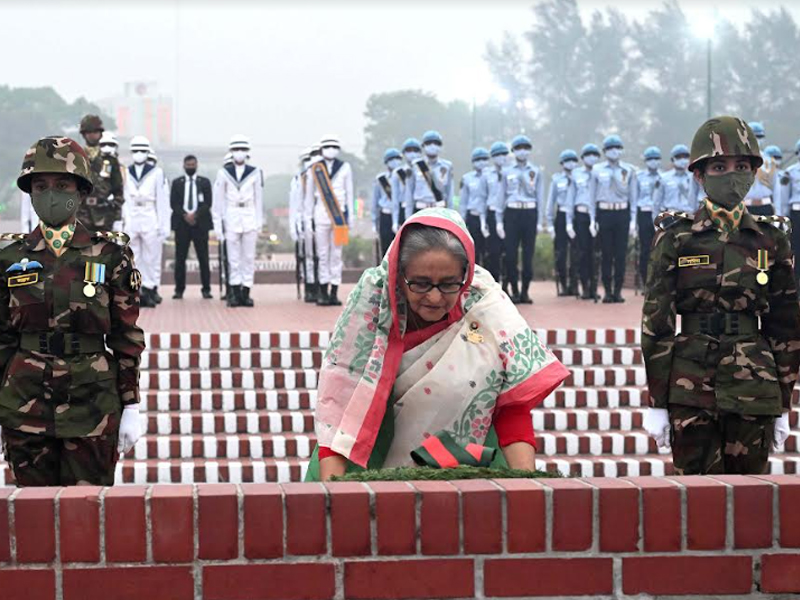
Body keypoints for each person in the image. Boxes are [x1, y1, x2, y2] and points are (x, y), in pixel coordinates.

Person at [305, 208, 569, 480]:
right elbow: (339, 411)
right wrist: (333, 496)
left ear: (465, 277)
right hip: (372, 471)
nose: (434, 297)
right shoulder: (372, 308)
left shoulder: (486, 307)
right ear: (399, 275)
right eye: (420, 284)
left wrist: (526, 487)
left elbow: (512, 406)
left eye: (448, 284)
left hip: (465, 472)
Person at [642, 116, 800, 475]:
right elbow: (657, 323)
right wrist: (657, 401)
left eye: (741, 166)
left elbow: (786, 325)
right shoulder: (677, 237)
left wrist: (784, 401)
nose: (732, 175)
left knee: (750, 508)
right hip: (690, 386)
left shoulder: (770, 239)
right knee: (695, 507)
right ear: (699, 174)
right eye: (719, 166)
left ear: (754, 172)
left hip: (754, 388)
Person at [0, 136, 144, 486]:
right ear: (30, 193)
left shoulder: (110, 254)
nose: (51, 194)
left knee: (87, 518)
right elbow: (2, 337)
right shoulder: (10, 256)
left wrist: (132, 405)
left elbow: (125, 336)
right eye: (41, 185)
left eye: (61, 184)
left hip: (92, 402)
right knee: (32, 517)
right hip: (25, 403)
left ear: (80, 192)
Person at [213, 134, 264, 308]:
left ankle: (246, 292)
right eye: (236, 150)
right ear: (231, 152)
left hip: (249, 214)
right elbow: (218, 201)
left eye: (242, 149)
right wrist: (218, 226)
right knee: (233, 258)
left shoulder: (255, 172)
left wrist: (259, 222)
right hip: (231, 215)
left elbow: (259, 199)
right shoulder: (224, 173)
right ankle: (234, 292)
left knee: (248, 257)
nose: (239, 153)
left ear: (247, 152)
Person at [304, 135, 354, 307]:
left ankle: (334, 291)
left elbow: (349, 194)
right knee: (323, 255)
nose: (330, 149)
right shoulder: (315, 168)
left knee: (336, 255)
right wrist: (308, 219)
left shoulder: (345, 167)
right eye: (327, 146)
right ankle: (322, 291)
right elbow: (309, 198)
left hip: (339, 217)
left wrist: (350, 218)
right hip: (321, 215)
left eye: (334, 146)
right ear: (322, 149)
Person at [497, 134, 544, 305]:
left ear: (529, 151)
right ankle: (514, 291)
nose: (522, 151)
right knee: (510, 255)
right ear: (514, 151)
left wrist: (540, 221)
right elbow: (500, 198)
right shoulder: (507, 172)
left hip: (529, 213)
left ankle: (525, 291)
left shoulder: (536, 171)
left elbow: (540, 197)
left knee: (527, 255)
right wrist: (498, 221)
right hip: (512, 213)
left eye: (525, 148)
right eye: (519, 148)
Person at [122, 136, 169, 308]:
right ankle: (137, 290)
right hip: (133, 215)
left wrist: (163, 225)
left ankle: (150, 289)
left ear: (148, 152)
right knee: (134, 257)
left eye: (142, 150)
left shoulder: (157, 172)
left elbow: (162, 202)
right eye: (136, 150)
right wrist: (124, 222)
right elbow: (124, 198)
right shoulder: (126, 172)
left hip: (150, 215)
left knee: (152, 257)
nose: (139, 154)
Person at [592, 134, 637, 303]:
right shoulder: (597, 171)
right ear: (604, 151)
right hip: (604, 214)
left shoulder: (628, 170)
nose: (614, 151)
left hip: (622, 214)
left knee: (620, 254)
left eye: (617, 148)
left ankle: (618, 291)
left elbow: (633, 197)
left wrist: (633, 221)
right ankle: (607, 291)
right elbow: (591, 197)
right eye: (610, 148)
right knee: (606, 254)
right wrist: (592, 219)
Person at [171, 155, 213, 300]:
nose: (190, 167)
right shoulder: (177, 183)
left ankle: (206, 289)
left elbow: (208, 203)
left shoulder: (205, 182)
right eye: (188, 165)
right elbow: (173, 203)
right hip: (182, 225)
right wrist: (185, 215)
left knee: (203, 258)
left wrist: (195, 215)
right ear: (184, 166)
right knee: (180, 258)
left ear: (197, 165)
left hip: (200, 225)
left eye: (192, 164)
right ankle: (179, 290)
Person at [77, 117, 124, 233]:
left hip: (105, 216)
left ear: (100, 133)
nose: (92, 135)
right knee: (82, 250)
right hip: (81, 214)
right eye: (89, 132)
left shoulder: (110, 160)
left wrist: (115, 214)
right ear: (84, 134)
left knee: (104, 249)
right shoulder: (76, 158)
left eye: (95, 132)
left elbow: (118, 189)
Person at [567, 143, 600, 300]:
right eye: (588, 155)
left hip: (598, 217)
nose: (591, 157)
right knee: (583, 253)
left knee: (597, 254)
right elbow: (570, 198)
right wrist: (568, 221)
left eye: (595, 154)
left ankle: (595, 287)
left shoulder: (601, 173)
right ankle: (585, 286)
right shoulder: (576, 174)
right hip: (581, 216)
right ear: (583, 158)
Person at [547, 149, 579, 296]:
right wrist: (549, 223)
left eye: (573, 160)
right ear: (562, 163)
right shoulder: (556, 180)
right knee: (561, 253)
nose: (570, 163)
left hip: (576, 216)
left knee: (576, 252)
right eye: (567, 160)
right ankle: (563, 284)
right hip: (561, 215)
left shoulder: (580, 178)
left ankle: (574, 284)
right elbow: (550, 202)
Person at [633, 146, 662, 287]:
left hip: (659, 214)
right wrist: (633, 222)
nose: (654, 161)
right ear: (646, 161)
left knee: (659, 248)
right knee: (645, 249)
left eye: (656, 158)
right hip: (643, 213)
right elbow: (634, 198)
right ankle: (646, 282)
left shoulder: (663, 177)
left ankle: (658, 281)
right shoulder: (639, 177)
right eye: (650, 159)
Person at [405, 131, 454, 213]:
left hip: (440, 210)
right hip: (420, 211)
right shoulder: (415, 166)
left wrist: (451, 216)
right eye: (429, 143)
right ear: (423, 146)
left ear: (440, 146)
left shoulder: (447, 166)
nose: (432, 146)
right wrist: (408, 219)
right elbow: (409, 194)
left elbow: (449, 194)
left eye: (436, 143)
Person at [459, 147, 491, 266]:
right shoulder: (467, 178)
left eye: (484, 159)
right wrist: (461, 220)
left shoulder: (493, 177)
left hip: (489, 217)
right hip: (473, 217)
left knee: (489, 250)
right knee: (474, 250)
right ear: (473, 162)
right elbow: (463, 201)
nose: (481, 162)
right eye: (478, 159)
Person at [485, 141, 509, 287]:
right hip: (492, 214)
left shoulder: (512, 173)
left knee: (508, 251)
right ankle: (494, 284)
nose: (501, 157)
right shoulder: (487, 175)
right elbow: (482, 197)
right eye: (497, 155)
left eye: (503, 154)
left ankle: (507, 284)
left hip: (509, 215)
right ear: (492, 157)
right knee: (493, 252)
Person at [652, 144, 699, 218]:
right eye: (679, 157)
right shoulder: (663, 178)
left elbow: (700, 197)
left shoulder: (694, 177)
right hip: (670, 216)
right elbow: (656, 203)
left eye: (685, 157)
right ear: (672, 159)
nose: (683, 159)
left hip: (689, 216)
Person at [744, 121, 780, 217]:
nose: (756, 140)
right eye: (753, 136)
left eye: (759, 137)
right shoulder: (737, 161)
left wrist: (779, 212)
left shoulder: (770, 162)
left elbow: (776, 188)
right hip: (744, 207)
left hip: (765, 207)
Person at [373, 148, 403, 257]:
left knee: (402, 248)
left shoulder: (405, 176)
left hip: (400, 215)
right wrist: (374, 222)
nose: (395, 161)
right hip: (386, 215)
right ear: (386, 162)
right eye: (392, 159)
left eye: (397, 158)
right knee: (385, 247)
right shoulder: (381, 179)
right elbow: (375, 203)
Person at [780, 139, 800, 279]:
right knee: (796, 249)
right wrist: (784, 217)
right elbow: (784, 197)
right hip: (797, 213)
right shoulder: (790, 172)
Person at [391, 138, 421, 231]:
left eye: (415, 150)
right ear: (404, 153)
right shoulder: (398, 172)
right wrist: (395, 221)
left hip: (419, 208)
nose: (412, 153)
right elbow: (395, 199)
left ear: (420, 152)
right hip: (403, 209)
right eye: (409, 150)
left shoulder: (424, 171)